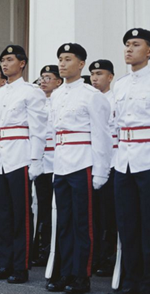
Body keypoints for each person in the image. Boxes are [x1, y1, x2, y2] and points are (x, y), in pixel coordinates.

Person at [47, 43, 111, 293]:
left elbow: (102, 135)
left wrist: (101, 171)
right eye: (60, 59)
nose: (62, 64)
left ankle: (81, 276)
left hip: (83, 163)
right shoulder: (58, 94)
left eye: (68, 59)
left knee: (82, 224)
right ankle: (65, 273)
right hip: (61, 164)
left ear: (81, 64)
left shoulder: (91, 95)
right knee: (64, 222)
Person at [0, 45, 47, 284]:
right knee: (2, 215)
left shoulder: (31, 92)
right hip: (0, 160)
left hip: (20, 158)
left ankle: (20, 266)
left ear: (22, 63)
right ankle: (5, 263)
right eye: (3, 60)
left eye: (10, 59)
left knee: (21, 215)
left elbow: (38, 129)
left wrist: (35, 160)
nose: (5, 64)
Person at [113, 28, 150, 294]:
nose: (128, 49)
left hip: (147, 158)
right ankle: (131, 278)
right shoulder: (121, 84)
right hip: (123, 159)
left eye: (135, 44)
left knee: (148, 223)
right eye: (127, 44)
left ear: (149, 50)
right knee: (127, 223)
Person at [89, 59, 118, 277]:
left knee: (110, 215)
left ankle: (110, 257)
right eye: (92, 74)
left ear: (110, 77)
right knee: (95, 213)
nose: (95, 78)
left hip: (115, 162)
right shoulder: (90, 99)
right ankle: (97, 254)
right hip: (92, 162)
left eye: (99, 74)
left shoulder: (115, 99)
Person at [32, 65, 62, 269]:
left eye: (48, 78)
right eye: (42, 78)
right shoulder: (38, 103)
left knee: (56, 209)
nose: (43, 81)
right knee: (42, 208)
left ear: (58, 82)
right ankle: (42, 247)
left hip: (58, 162)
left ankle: (54, 247)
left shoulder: (59, 101)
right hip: (42, 162)